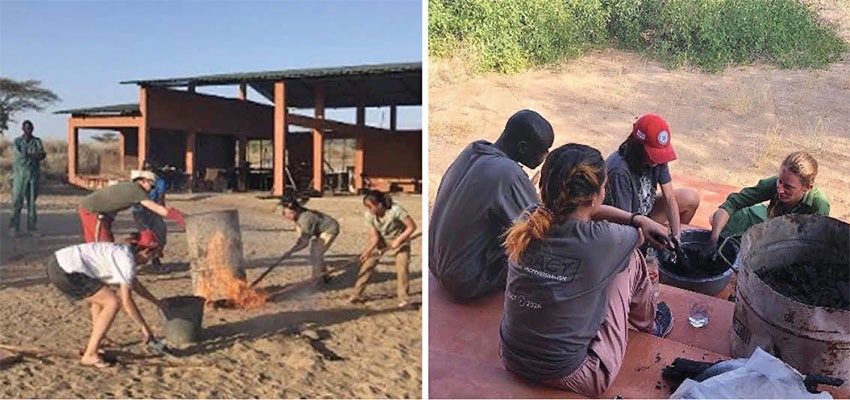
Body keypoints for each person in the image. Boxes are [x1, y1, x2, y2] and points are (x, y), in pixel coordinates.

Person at [429, 110, 670, 299]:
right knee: (547, 249)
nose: (543, 158)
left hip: (436, 264)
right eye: (543, 152)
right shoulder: (509, 175)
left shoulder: (474, 150)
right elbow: (547, 227)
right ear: (523, 148)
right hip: (466, 280)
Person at [499, 143, 674, 397]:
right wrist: (637, 219)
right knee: (631, 260)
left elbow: (578, 212)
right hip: (577, 374)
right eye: (604, 187)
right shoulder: (604, 240)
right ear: (594, 198)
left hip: (511, 358)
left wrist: (635, 218)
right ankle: (650, 323)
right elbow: (636, 237)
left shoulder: (528, 219)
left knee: (598, 267)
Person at [46, 230, 166, 368]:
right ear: (146, 252)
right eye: (153, 255)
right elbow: (127, 301)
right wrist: (144, 328)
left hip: (56, 262)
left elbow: (135, 285)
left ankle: (99, 341)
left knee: (100, 299)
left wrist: (157, 302)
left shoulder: (124, 253)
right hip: (65, 270)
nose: (150, 261)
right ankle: (90, 354)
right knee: (112, 302)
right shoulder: (125, 260)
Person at [604, 114, 700, 243]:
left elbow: (669, 198)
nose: (658, 160)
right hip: (623, 223)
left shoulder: (658, 159)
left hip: (645, 211)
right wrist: (654, 233)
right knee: (644, 241)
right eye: (654, 155)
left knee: (689, 198)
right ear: (639, 147)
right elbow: (625, 221)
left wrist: (676, 235)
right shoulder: (619, 171)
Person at [709, 151, 829, 243]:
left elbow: (812, 244)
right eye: (780, 181)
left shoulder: (818, 206)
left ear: (807, 187)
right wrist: (713, 239)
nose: (780, 190)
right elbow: (734, 203)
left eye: (788, 187)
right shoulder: (774, 184)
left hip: (790, 238)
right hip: (769, 219)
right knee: (715, 219)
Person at [78, 170, 185, 243]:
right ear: (143, 181)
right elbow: (156, 208)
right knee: (102, 244)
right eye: (151, 186)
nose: (151, 189)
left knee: (107, 242)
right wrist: (177, 216)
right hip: (93, 211)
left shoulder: (131, 187)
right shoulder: (136, 190)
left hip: (100, 213)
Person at [350, 190, 417, 306]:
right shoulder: (369, 215)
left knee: (402, 268)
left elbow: (411, 227)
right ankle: (356, 294)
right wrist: (367, 252)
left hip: (400, 240)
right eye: (367, 207)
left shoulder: (396, 210)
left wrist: (398, 240)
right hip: (382, 241)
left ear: (380, 205)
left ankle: (403, 298)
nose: (369, 210)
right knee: (368, 265)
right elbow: (374, 237)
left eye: (370, 207)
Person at [278, 197, 340, 284]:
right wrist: (295, 246)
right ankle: (325, 275)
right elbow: (301, 237)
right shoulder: (298, 215)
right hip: (319, 231)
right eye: (285, 213)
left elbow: (304, 243)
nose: (286, 216)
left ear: (297, 210)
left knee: (316, 254)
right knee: (315, 252)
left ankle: (314, 282)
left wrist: (290, 251)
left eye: (290, 213)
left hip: (329, 229)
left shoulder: (305, 219)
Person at [9, 120, 46, 237]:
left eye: (31, 128)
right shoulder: (17, 142)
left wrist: (33, 155)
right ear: (23, 129)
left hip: (33, 175)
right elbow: (21, 156)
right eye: (27, 128)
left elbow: (42, 155)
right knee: (17, 201)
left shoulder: (37, 141)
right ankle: (14, 227)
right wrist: (34, 155)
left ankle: (32, 227)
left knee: (31, 203)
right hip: (20, 175)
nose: (29, 130)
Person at [131, 169, 168, 268]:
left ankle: (155, 257)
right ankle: (137, 259)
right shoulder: (139, 181)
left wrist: (161, 209)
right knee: (147, 237)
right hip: (139, 211)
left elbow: (161, 197)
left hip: (154, 210)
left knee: (161, 234)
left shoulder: (161, 182)